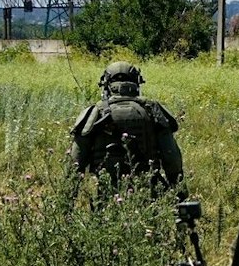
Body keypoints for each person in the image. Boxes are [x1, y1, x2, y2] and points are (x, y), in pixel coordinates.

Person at [70, 61, 184, 191]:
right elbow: (171, 158)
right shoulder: (152, 110)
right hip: (147, 190)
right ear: (136, 82)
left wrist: (67, 203)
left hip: (107, 194)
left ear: (107, 84)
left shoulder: (95, 112)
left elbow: (75, 162)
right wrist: (179, 193)